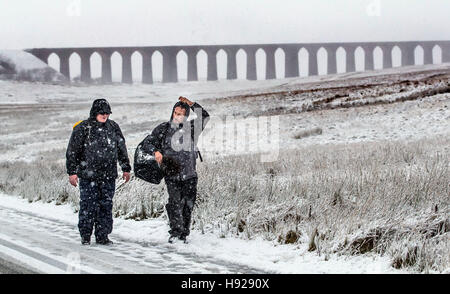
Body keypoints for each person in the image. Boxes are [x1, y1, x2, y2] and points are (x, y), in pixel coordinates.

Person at [141, 96, 209, 243]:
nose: (178, 116)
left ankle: (184, 233)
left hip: (190, 174)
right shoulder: (163, 129)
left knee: (187, 205)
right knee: (174, 203)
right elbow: (147, 142)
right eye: (176, 113)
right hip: (171, 174)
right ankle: (175, 232)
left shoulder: (192, 128)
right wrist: (156, 151)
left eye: (181, 114)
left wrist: (191, 104)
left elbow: (205, 116)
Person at [66, 99, 131, 245]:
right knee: (88, 206)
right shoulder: (83, 128)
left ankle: (103, 236)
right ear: (95, 112)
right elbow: (72, 152)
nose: (105, 115)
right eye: (102, 112)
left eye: (107, 113)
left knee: (105, 206)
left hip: (108, 175)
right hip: (88, 176)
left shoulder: (113, 127)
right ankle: (86, 235)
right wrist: (72, 172)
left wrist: (126, 168)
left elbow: (121, 148)